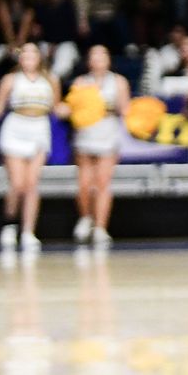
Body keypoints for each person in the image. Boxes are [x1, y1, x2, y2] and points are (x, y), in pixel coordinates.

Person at [0, 43, 58, 250]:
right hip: (15, 128)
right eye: (25, 53)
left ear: (40, 57)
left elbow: (57, 108)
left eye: (33, 52)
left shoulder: (51, 80)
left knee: (32, 183)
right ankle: (10, 223)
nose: (29, 56)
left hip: (39, 128)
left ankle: (29, 231)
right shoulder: (10, 80)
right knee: (17, 183)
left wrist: (85, 106)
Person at [64, 44, 128, 245]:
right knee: (84, 184)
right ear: (88, 60)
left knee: (103, 183)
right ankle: (85, 217)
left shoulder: (118, 81)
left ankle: (101, 227)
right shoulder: (81, 81)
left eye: (103, 54)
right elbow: (72, 109)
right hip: (85, 134)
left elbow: (125, 110)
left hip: (108, 132)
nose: (99, 59)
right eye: (94, 55)